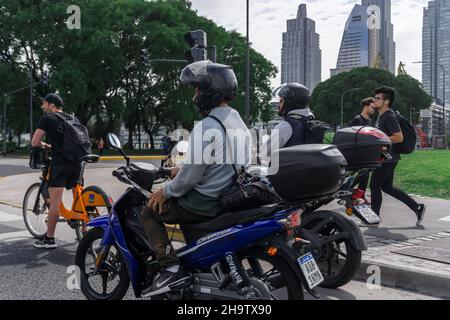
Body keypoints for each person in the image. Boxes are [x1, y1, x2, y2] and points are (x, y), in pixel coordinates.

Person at [140, 61, 252, 297]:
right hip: (229, 194)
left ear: (211, 90)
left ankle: (170, 268)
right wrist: (180, 169)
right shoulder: (239, 122)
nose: (195, 97)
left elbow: (191, 178)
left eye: (198, 90)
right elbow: (217, 161)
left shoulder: (208, 126)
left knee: (149, 209)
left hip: (205, 200)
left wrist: (165, 191)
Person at [31, 93, 83, 249]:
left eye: (44, 104)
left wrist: (45, 145)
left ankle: (49, 239)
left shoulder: (47, 119)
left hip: (60, 164)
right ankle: (85, 231)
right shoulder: (73, 118)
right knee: (78, 195)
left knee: (55, 202)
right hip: (77, 162)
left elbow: (35, 142)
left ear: (52, 105)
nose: (42, 107)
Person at [370, 86, 426, 226]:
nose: (374, 100)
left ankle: (373, 218)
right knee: (387, 187)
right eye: (374, 98)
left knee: (375, 186)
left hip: (387, 158)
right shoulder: (382, 116)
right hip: (389, 157)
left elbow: (398, 137)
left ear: (386, 101)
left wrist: (378, 140)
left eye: (378, 98)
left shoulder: (389, 115)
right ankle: (417, 207)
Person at [260, 83, 315, 165]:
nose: (279, 105)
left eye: (281, 101)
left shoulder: (285, 126)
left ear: (289, 102)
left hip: (290, 176)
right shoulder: (313, 123)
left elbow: (263, 155)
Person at [348, 98, 376, 204]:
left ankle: (360, 195)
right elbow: (350, 136)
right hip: (356, 152)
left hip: (365, 151)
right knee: (362, 174)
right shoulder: (357, 119)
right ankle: (347, 190)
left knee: (366, 173)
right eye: (372, 107)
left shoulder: (369, 121)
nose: (374, 109)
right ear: (365, 106)